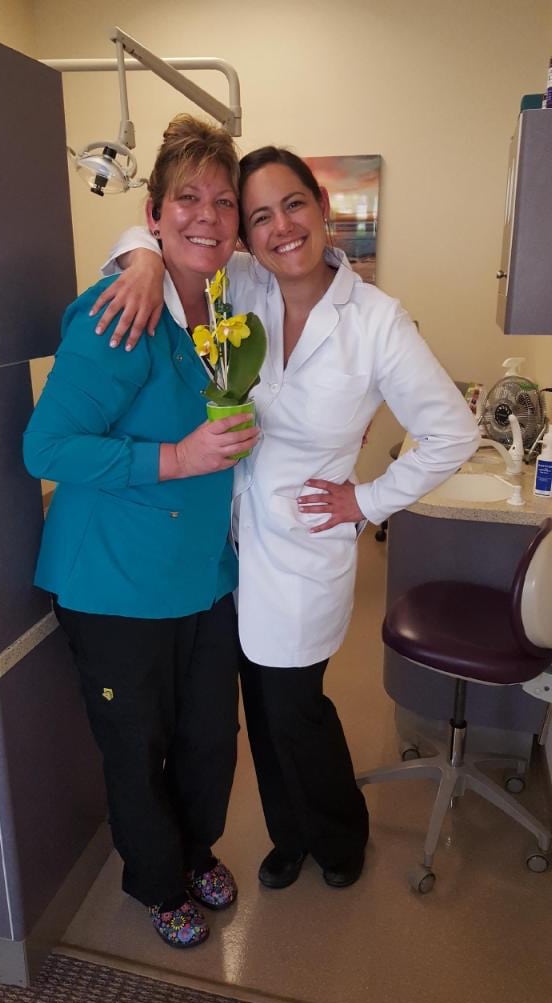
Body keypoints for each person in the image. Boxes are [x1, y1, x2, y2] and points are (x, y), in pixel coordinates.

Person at [91, 145, 480, 890]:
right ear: (246, 234)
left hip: (306, 547)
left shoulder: (376, 323)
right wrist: (138, 261)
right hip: (229, 540)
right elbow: (163, 237)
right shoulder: (243, 285)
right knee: (257, 706)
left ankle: (338, 836)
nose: (280, 228)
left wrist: (363, 502)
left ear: (323, 212)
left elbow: (453, 433)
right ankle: (289, 835)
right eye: (259, 215)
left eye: (294, 205)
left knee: (295, 706)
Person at [23, 115, 260, 950]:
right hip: (115, 583)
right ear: (154, 216)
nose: (208, 215)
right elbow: (44, 446)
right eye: (186, 200)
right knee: (137, 743)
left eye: (223, 202)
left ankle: (196, 851)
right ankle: (157, 882)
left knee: (208, 738)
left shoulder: (223, 315)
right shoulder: (119, 311)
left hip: (202, 575)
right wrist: (178, 458)